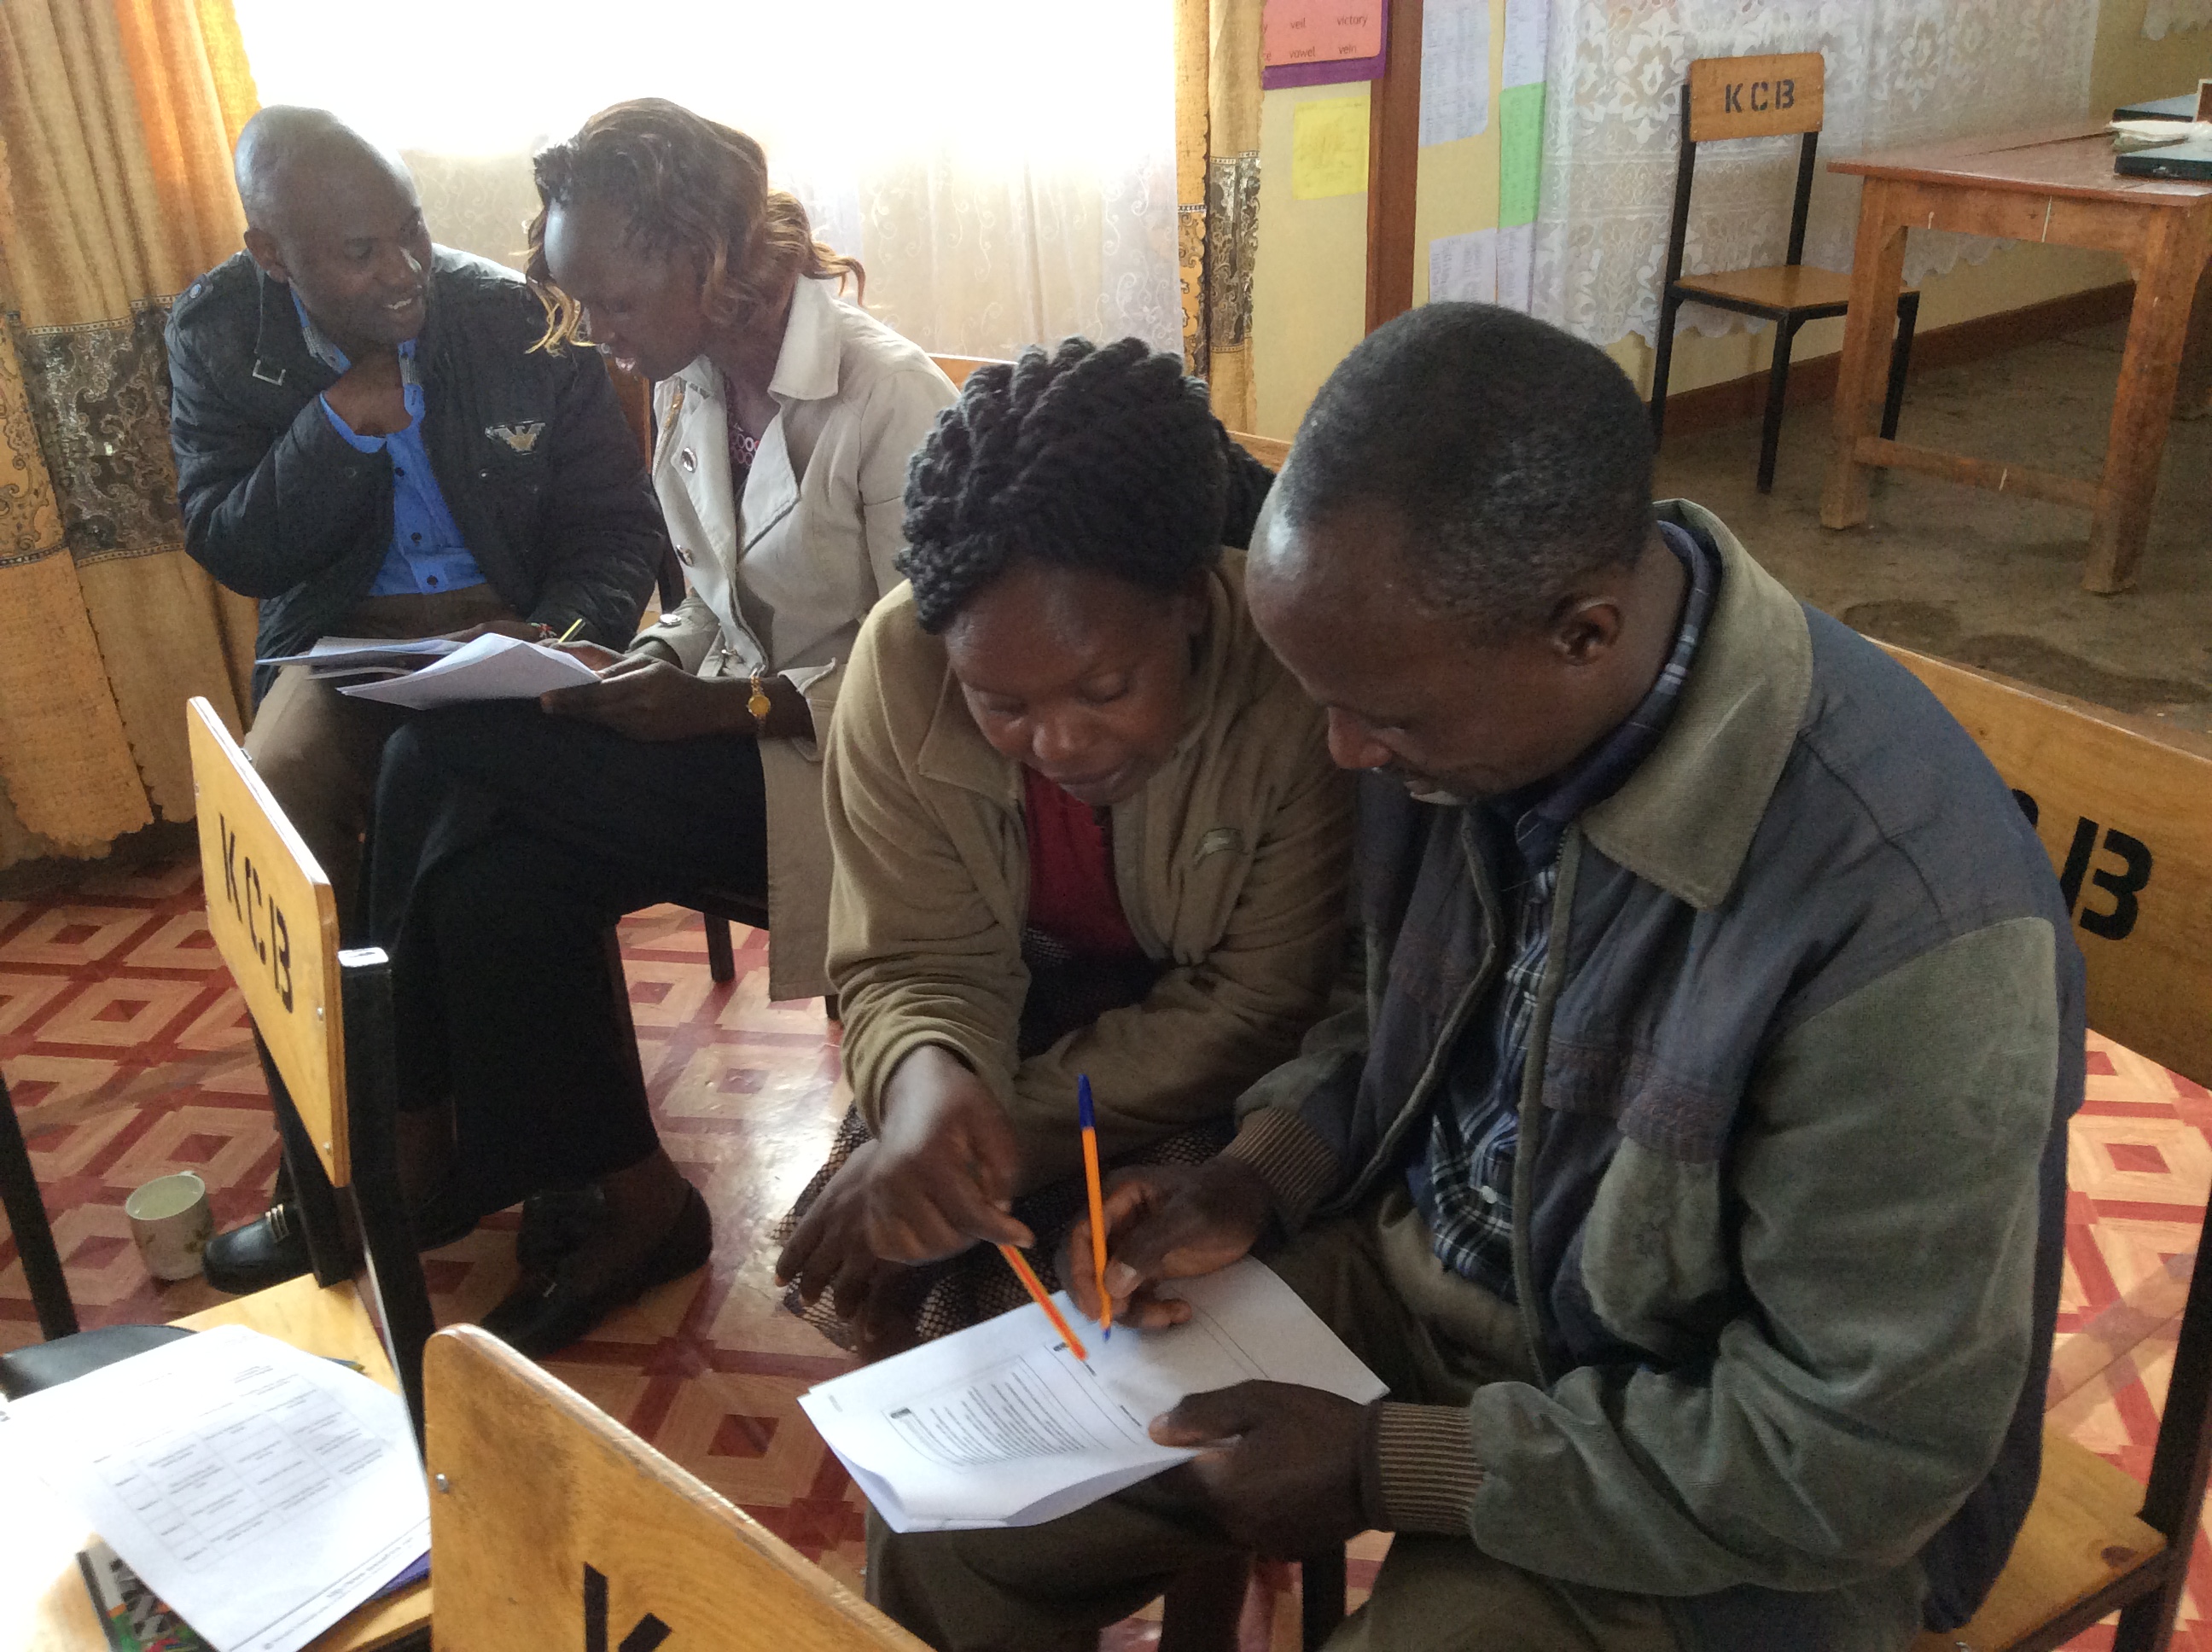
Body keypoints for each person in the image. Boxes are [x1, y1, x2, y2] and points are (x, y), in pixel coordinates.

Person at [864, 303, 2084, 1652]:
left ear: (1584, 632)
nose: (1341, 753)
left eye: (1381, 714)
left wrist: (1396, 1466)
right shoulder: (1461, 698)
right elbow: (1388, 1013)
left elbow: (1862, 1455)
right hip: (1432, 1292)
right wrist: (1256, 1173)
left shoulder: (1903, 923)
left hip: (1722, 1474)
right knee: (958, 1517)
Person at [358, 100, 958, 1358]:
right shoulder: (691, 381)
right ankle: (637, 1198)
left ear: (708, 258)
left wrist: (727, 704)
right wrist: (630, 665)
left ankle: (414, 1130)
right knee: (497, 892)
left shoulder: (885, 393)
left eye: (615, 305)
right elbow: (704, 603)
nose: (599, 339)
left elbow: (940, 675)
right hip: (716, 738)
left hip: (840, 777)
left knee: (435, 744)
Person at [166, 106, 666, 1294]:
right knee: (273, 809)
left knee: (496, 794)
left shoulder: (514, 318)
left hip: (509, 625)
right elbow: (229, 539)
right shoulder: (219, 332)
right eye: (359, 253)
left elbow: (615, 530)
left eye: (413, 234)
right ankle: (339, 1164)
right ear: (271, 253)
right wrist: (334, 431)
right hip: (336, 645)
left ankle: (564, 1156)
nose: (404, 275)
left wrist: (554, 637)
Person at [773, 338, 1352, 1357]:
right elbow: (911, 958)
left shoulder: (1294, 686)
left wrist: (1003, 1136)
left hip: (1207, 1058)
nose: (1059, 743)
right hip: (999, 1023)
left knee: (1140, 1290)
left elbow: (1260, 1000)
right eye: (1001, 704)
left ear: (1187, 602)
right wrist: (923, 1087)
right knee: (900, 1257)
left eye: (1105, 689)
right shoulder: (899, 666)